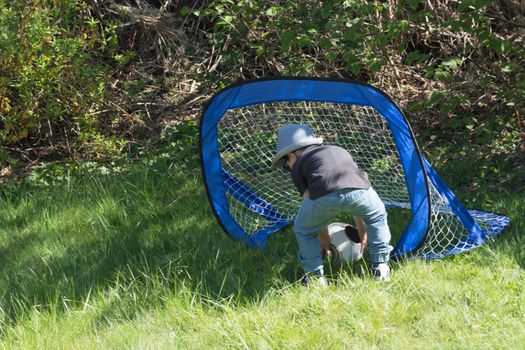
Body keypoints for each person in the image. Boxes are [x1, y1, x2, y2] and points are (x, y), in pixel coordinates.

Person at [271, 124, 393, 284]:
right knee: (377, 217)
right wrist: (362, 230)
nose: (288, 167)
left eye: (286, 162)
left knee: (303, 229)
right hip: (361, 190)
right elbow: (352, 192)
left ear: (292, 155)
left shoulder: (298, 166)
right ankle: (380, 266)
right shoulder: (338, 150)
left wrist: (323, 237)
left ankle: (316, 279)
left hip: (324, 194)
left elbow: (311, 202)